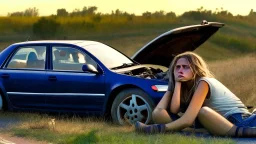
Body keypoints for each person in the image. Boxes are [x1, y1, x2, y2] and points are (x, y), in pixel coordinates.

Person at [135, 51, 256, 137]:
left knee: (204, 111)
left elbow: (187, 120)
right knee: (158, 114)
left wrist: (156, 128)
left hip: (238, 120)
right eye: (177, 67)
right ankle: (191, 132)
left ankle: (244, 132)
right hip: (216, 122)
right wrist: (175, 85)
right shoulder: (183, 85)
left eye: (186, 67)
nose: (180, 70)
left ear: (195, 69)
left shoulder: (203, 82)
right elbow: (168, 110)